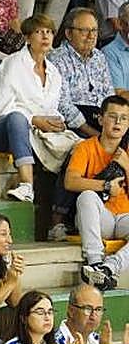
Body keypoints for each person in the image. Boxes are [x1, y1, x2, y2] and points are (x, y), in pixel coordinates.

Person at [0, 13, 88, 204]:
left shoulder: (54, 72)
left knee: (80, 146)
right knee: (17, 118)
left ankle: (60, 214)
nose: (45, 36)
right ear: (28, 38)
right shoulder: (13, 63)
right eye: (39, 32)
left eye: (49, 32)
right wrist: (33, 119)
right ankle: (26, 185)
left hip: (36, 132)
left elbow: (50, 108)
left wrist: (56, 122)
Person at [66, 94, 129, 292]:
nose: (118, 122)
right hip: (100, 217)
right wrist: (106, 186)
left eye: (124, 118)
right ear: (101, 119)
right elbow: (70, 181)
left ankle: (109, 267)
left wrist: (127, 165)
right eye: (112, 116)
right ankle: (94, 262)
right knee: (86, 196)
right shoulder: (86, 147)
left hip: (125, 217)